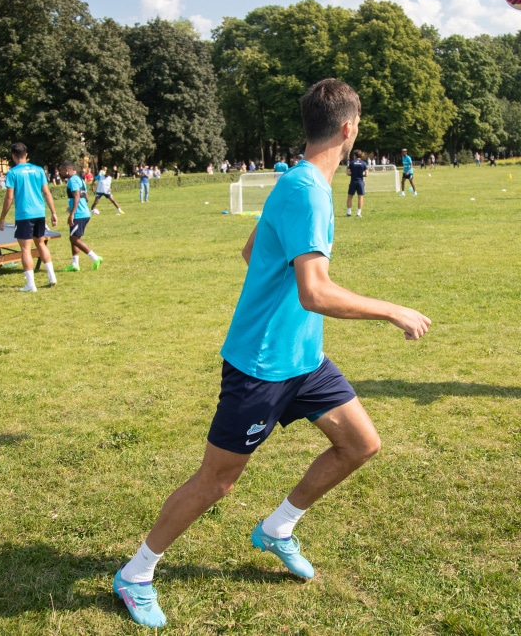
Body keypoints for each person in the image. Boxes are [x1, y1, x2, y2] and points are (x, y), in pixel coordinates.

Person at [112, 78, 431, 629]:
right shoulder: (307, 190)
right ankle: (136, 573)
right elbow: (315, 291)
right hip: (260, 366)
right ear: (350, 128)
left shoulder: (294, 181)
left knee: (360, 444)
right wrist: (393, 310)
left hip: (302, 359)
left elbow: (250, 251)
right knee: (217, 480)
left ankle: (278, 527)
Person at [0, 142, 58, 293]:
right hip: (39, 212)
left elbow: (9, 197)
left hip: (24, 214)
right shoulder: (38, 170)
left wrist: (2, 217)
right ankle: (51, 277)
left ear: (13, 156)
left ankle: (31, 285)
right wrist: (53, 212)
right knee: (41, 244)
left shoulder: (12, 173)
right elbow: (47, 192)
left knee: (25, 249)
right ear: (26, 154)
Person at [60, 161, 103, 272]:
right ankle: (75, 264)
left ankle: (95, 257)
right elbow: (86, 197)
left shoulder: (72, 180)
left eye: (61, 170)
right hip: (83, 212)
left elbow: (77, 196)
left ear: (67, 170)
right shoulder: (79, 179)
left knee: (73, 238)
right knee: (74, 238)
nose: (60, 172)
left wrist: (72, 213)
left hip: (79, 214)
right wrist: (72, 207)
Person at [345, 148, 368, 217]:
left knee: (350, 197)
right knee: (360, 197)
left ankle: (349, 212)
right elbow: (366, 174)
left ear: (355, 155)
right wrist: (361, 175)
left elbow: (348, 173)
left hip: (353, 181)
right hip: (360, 181)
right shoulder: (364, 163)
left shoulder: (352, 163)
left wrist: (352, 174)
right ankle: (358, 213)